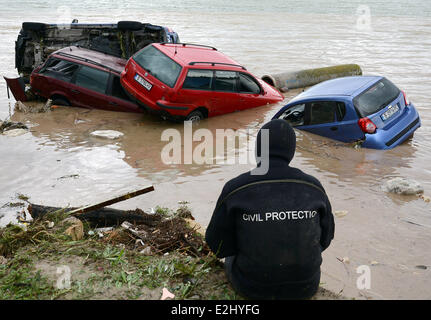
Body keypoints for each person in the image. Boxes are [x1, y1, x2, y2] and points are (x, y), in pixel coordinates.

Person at [205, 119, 335, 299]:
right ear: (291, 152)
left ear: (258, 150)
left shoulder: (236, 188)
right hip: (305, 286)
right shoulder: (314, 187)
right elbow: (326, 238)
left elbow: (217, 244)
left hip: (253, 287)